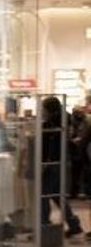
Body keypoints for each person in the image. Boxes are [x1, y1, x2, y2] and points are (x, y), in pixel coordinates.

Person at [40, 97, 83, 237]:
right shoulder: (66, 120)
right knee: (57, 196)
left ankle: (44, 224)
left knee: (44, 194)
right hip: (62, 162)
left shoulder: (52, 124)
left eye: (44, 108)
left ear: (49, 110)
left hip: (52, 163)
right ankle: (73, 224)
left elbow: (50, 146)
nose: (42, 111)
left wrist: (45, 162)